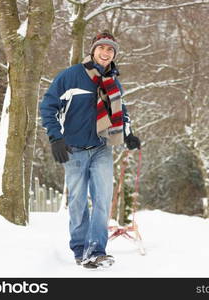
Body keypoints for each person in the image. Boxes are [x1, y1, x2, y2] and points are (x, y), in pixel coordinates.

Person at [39, 30, 141, 269]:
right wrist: (56, 138)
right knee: (77, 202)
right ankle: (79, 248)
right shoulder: (71, 76)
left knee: (102, 199)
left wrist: (128, 134)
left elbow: (120, 112)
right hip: (73, 148)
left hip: (101, 147)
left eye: (110, 50)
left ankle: (97, 250)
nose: (105, 53)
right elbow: (48, 106)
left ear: (114, 55)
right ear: (93, 50)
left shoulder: (113, 82)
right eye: (102, 48)